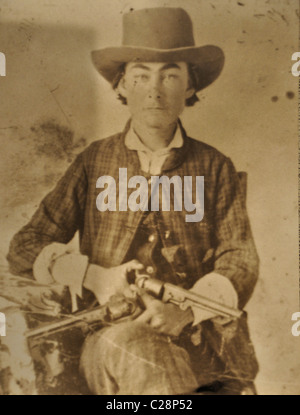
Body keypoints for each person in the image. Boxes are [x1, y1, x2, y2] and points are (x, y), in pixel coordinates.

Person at [7, 7, 259, 395]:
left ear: (190, 86)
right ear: (122, 86)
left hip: (202, 347)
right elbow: (25, 246)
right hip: (111, 340)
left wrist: (186, 312)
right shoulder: (94, 162)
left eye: (170, 75)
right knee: (139, 355)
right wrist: (93, 276)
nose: (155, 90)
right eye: (141, 76)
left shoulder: (215, 167)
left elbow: (240, 259)